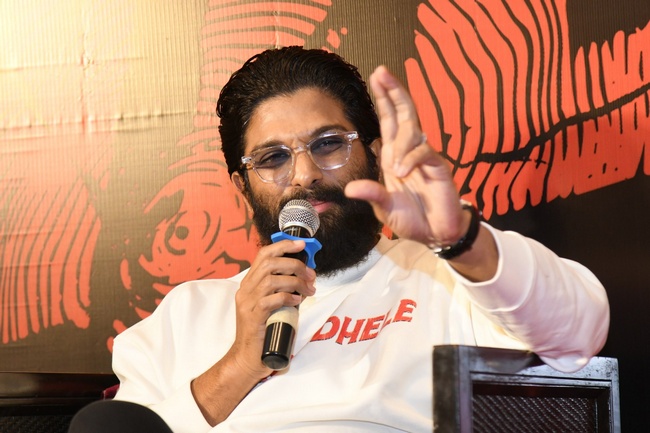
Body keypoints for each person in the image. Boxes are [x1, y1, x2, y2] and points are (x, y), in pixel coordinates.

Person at [94, 46, 609, 432]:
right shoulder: (184, 315)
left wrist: (462, 241)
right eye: (273, 158)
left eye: (327, 144)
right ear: (241, 188)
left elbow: (580, 333)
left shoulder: (448, 277)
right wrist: (240, 363)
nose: (304, 175)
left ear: (375, 157)